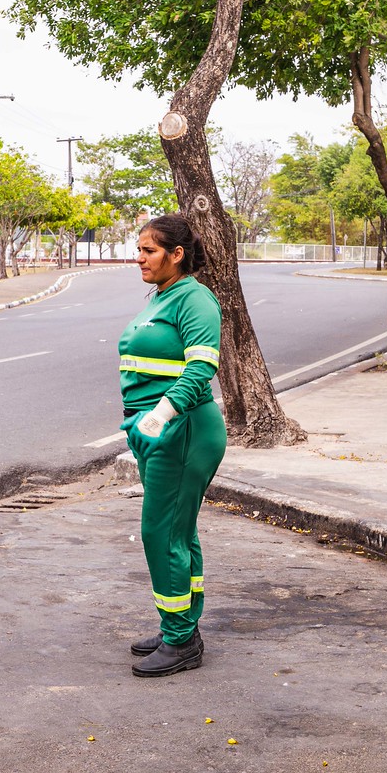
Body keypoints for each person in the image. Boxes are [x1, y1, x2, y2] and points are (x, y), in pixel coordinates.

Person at [118, 214, 228, 677]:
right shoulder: (164, 295)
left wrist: (161, 416)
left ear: (176, 254)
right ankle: (180, 625)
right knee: (179, 532)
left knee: (160, 533)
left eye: (148, 250)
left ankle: (181, 640)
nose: (137, 258)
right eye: (138, 249)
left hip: (181, 430)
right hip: (156, 433)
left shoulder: (195, 299)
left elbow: (202, 368)